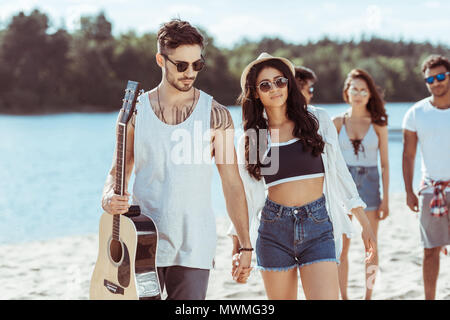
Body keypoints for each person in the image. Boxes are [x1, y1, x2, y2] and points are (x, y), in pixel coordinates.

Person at [101, 19, 253, 300]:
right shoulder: (135, 112)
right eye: (181, 65)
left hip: (195, 243)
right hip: (143, 241)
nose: (190, 72)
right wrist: (109, 196)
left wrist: (245, 245)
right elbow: (118, 170)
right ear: (161, 59)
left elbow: (231, 183)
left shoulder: (216, 114)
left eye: (197, 65)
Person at [228, 52, 377, 300]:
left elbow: (340, 173)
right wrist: (239, 244)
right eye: (265, 85)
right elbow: (243, 194)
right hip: (272, 229)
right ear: (255, 92)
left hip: (317, 225)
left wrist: (364, 223)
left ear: (289, 82)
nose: (274, 88)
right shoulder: (252, 138)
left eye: (280, 81)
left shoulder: (316, 120)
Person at [332, 69, 389, 300]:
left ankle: (368, 296)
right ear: (347, 91)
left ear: (370, 94)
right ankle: (344, 297)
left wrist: (386, 198)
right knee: (342, 247)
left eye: (363, 90)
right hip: (343, 187)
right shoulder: (337, 122)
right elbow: (330, 162)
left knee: (371, 245)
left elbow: (385, 163)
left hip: (370, 184)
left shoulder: (378, 123)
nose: (358, 94)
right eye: (354, 88)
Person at [402, 54, 450, 300]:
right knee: (430, 250)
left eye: (441, 76)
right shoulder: (415, 113)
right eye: (430, 79)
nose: (436, 82)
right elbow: (408, 156)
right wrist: (409, 191)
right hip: (431, 190)